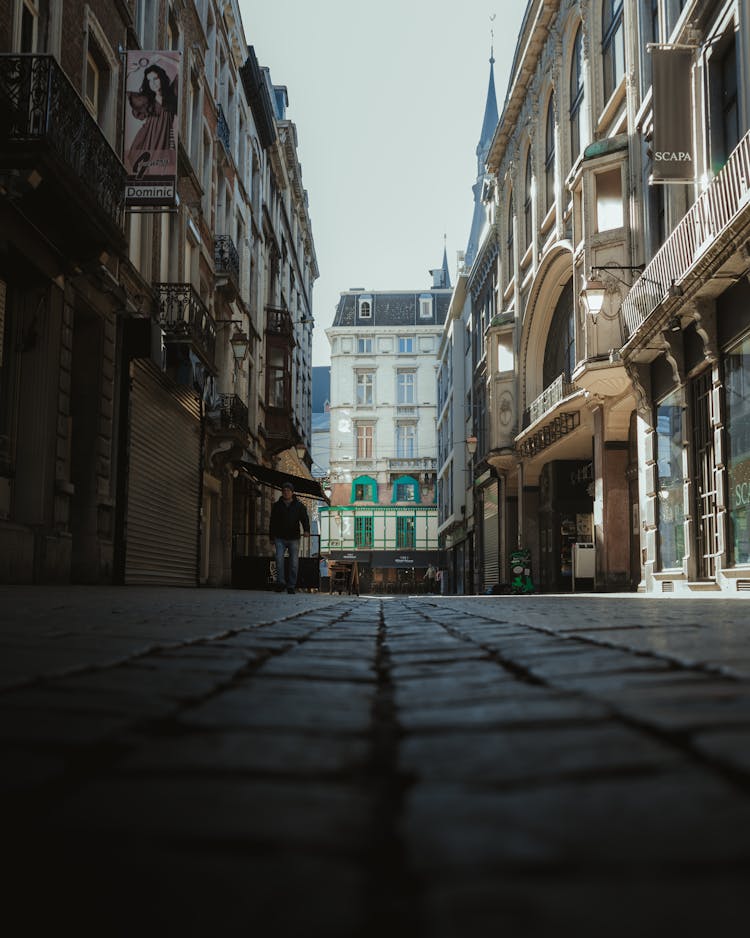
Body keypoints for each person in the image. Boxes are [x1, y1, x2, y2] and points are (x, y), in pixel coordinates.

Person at [126, 63, 178, 177]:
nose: (153, 83)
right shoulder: (147, 100)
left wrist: (162, 58)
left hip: (165, 138)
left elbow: (178, 70)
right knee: (147, 167)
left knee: (161, 168)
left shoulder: (171, 97)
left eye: (155, 78)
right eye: (149, 80)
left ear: (162, 78)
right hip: (148, 136)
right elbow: (131, 94)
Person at [269, 482, 310, 594]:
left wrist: (306, 530)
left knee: (294, 562)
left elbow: (304, 519)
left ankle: (291, 585)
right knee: (279, 559)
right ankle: (281, 583)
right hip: (279, 537)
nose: (286, 492)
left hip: (294, 538)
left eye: (288, 491)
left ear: (292, 492)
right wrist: (271, 537)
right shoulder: (277, 505)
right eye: (284, 491)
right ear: (282, 492)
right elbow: (272, 522)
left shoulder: (299, 506)